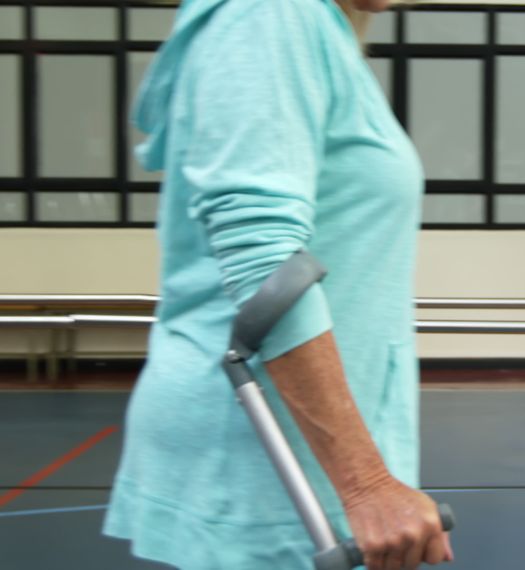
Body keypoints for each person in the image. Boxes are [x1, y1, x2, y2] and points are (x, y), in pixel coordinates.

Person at [103, 1, 453, 569]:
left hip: (298, 458)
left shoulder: (314, 27)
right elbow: (265, 256)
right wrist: (365, 485)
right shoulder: (268, 13)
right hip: (262, 459)